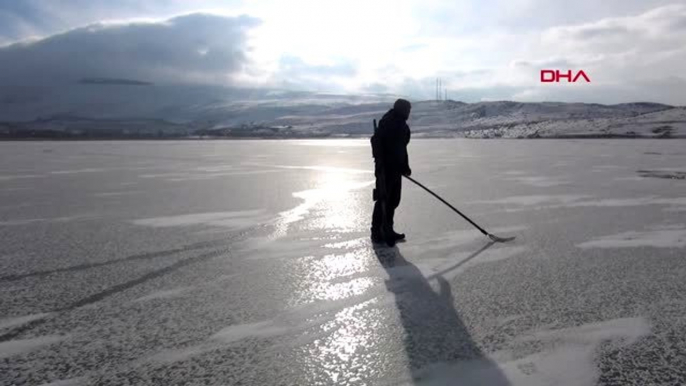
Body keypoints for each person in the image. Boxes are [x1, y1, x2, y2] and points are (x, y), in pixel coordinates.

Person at [370, 98, 412, 247]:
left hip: (396, 170)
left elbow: (402, 149)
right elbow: (384, 148)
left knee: (393, 200)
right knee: (383, 199)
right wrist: (391, 165)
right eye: (407, 110)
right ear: (400, 109)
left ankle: (388, 229)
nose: (409, 113)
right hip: (385, 169)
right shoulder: (389, 123)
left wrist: (405, 166)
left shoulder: (401, 124)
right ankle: (377, 232)